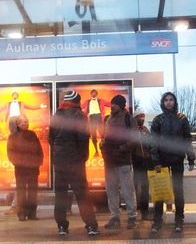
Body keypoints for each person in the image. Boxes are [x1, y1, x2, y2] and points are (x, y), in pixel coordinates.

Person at [49, 90, 99, 236]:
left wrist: (57, 154)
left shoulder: (56, 116)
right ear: (77, 101)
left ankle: (62, 226)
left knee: (61, 195)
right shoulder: (80, 116)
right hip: (75, 161)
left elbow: (50, 139)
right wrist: (83, 157)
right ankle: (90, 225)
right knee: (82, 194)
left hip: (59, 162)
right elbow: (83, 139)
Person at [150, 92, 195, 233]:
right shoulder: (158, 120)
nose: (168, 102)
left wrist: (191, 158)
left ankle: (179, 220)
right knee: (160, 191)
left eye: (171, 100)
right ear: (162, 103)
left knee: (178, 190)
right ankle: (157, 221)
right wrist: (155, 160)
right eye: (166, 100)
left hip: (177, 159)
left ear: (175, 102)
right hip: (161, 160)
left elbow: (187, 139)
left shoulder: (182, 118)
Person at [101, 94, 138, 230]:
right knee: (111, 191)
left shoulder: (129, 119)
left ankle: (132, 217)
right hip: (109, 161)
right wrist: (102, 144)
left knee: (127, 190)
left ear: (121, 105)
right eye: (112, 103)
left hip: (123, 161)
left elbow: (134, 139)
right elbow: (103, 136)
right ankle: (114, 216)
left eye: (115, 103)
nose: (112, 106)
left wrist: (122, 149)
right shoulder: (107, 119)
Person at [7, 115, 44, 221]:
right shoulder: (13, 137)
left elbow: (39, 150)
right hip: (20, 169)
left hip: (33, 168)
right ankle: (22, 213)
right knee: (21, 192)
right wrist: (17, 163)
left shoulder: (32, 135)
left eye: (27, 122)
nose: (27, 124)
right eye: (24, 122)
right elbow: (10, 153)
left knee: (33, 192)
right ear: (18, 124)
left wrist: (38, 162)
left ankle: (32, 213)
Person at [132, 109, 153, 220]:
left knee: (145, 186)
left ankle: (144, 211)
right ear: (135, 118)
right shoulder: (131, 130)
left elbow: (151, 143)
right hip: (135, 161)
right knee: (135, 187)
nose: (142, 119)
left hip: (146, 161)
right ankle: (135, 210)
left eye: (143, 116)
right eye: (140, 116)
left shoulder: (145, 130)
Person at [82, 89, 111, 157]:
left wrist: (117, 103)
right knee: (93, 136)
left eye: (95, 93)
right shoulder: (88, 101)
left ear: (97, 94)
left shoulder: (101, 100)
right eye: (92, 93)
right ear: (91, 94)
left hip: (99, 117)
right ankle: (96, 151)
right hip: (91, 118)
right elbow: (80, 106)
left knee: (102, 135)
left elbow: (109, 104)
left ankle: (104, 150)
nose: (94, 94)